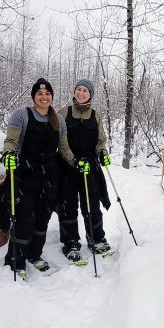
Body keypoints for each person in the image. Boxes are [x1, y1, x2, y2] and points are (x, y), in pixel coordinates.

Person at [0, 77, 76, 278]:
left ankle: (35, 255)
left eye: (47, 94)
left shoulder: (58, 120)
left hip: (49, 177)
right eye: (39, 94)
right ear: (34, 96)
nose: (44, 97)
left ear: (52, 97)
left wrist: (75, 162)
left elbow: (63, 148)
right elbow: (10, 141)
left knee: (42, 219)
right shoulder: (22, 115)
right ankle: (16, 261)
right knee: (24, 219)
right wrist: (9, 154)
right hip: (26, 176)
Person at [56, 78, 113, 263]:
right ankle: (70, 243)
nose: (81, 93)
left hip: (90, 167)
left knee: (92, 206)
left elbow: (100, 141)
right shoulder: (63, 113)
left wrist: (102, 153)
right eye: (78, 89)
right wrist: (73, 161)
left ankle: (96, 239)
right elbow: (59, 142)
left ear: (91, 95)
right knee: (68, 207)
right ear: (74, 92)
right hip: (68, 168)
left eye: (85, 91)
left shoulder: (96, 115)